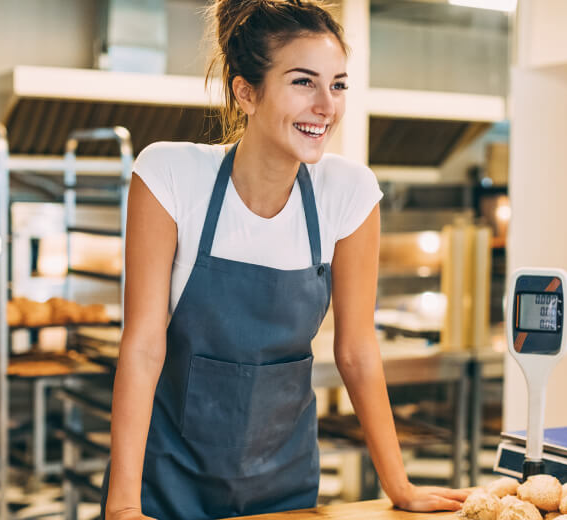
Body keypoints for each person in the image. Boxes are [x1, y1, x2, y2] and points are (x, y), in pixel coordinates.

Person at [102, 0, 469, 518]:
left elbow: (358, 351)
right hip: (167, 481)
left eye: (338, 84)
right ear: (246, 92)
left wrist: (400, 486)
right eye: (303, 82)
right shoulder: (169, 176)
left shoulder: (349, 192)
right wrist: (122, 507)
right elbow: (142, 347)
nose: (326, 105)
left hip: (284, 482)